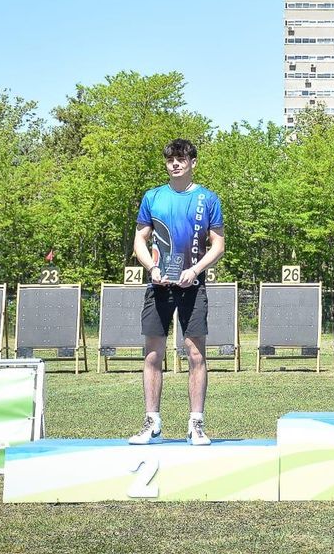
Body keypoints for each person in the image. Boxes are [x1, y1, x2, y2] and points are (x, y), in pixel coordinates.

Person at [128, 138, 225, 445]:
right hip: (158, 287)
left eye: (182, 158)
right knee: (153, 354)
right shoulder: (153, 197)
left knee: (195, 354)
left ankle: (196, 423)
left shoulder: (208, 199)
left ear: (193, 162)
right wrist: (152, 268)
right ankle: (151, 422)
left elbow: (218, 245)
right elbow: (139, 241)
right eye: (171, 159)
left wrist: (195, 270)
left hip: (193, 287)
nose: (175, 163)